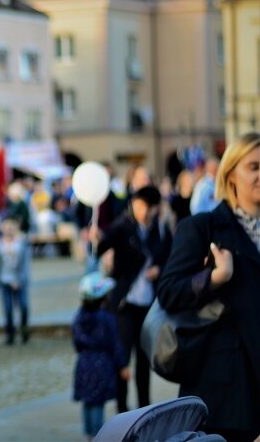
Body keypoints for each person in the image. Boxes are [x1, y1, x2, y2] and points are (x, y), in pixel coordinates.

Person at [157, 131, 260, 442]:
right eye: (254, 167)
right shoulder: (202, 228)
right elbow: (169, 292)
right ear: (230, 174)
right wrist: (214, 278)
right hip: (225, 395)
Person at [92, 185, 172, 412]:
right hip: (124, 303)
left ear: (156, 208)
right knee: (122, 358)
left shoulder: (161, 230)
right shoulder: (122, 226)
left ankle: (145, 410)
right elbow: (102, 247)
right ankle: (122, 409)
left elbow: (170, 257)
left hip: (148, 304)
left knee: (144, 360)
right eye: (138, 206)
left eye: (147, 207)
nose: (142, 212)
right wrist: (97, 239)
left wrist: (159, 269)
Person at [72, 273, 130, 441]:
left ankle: (88, 435)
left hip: (83, 364)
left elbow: (76, 343)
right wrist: (123, 366)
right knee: (97, 402)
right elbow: (115, 344)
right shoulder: (107, 318)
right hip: (102, 365)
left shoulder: (79, 317)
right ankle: (98, 436)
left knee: (88, 402)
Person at [0, 217, 31, 345]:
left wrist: (19, 280)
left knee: (23, 306)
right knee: (8, 309)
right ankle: (10, 333)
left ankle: (24, 330)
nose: (9, 229)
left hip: (20, 281)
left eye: (11, 226)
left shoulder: (22, 243)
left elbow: (25, 264)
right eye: (6, 226)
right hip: (5, 280)